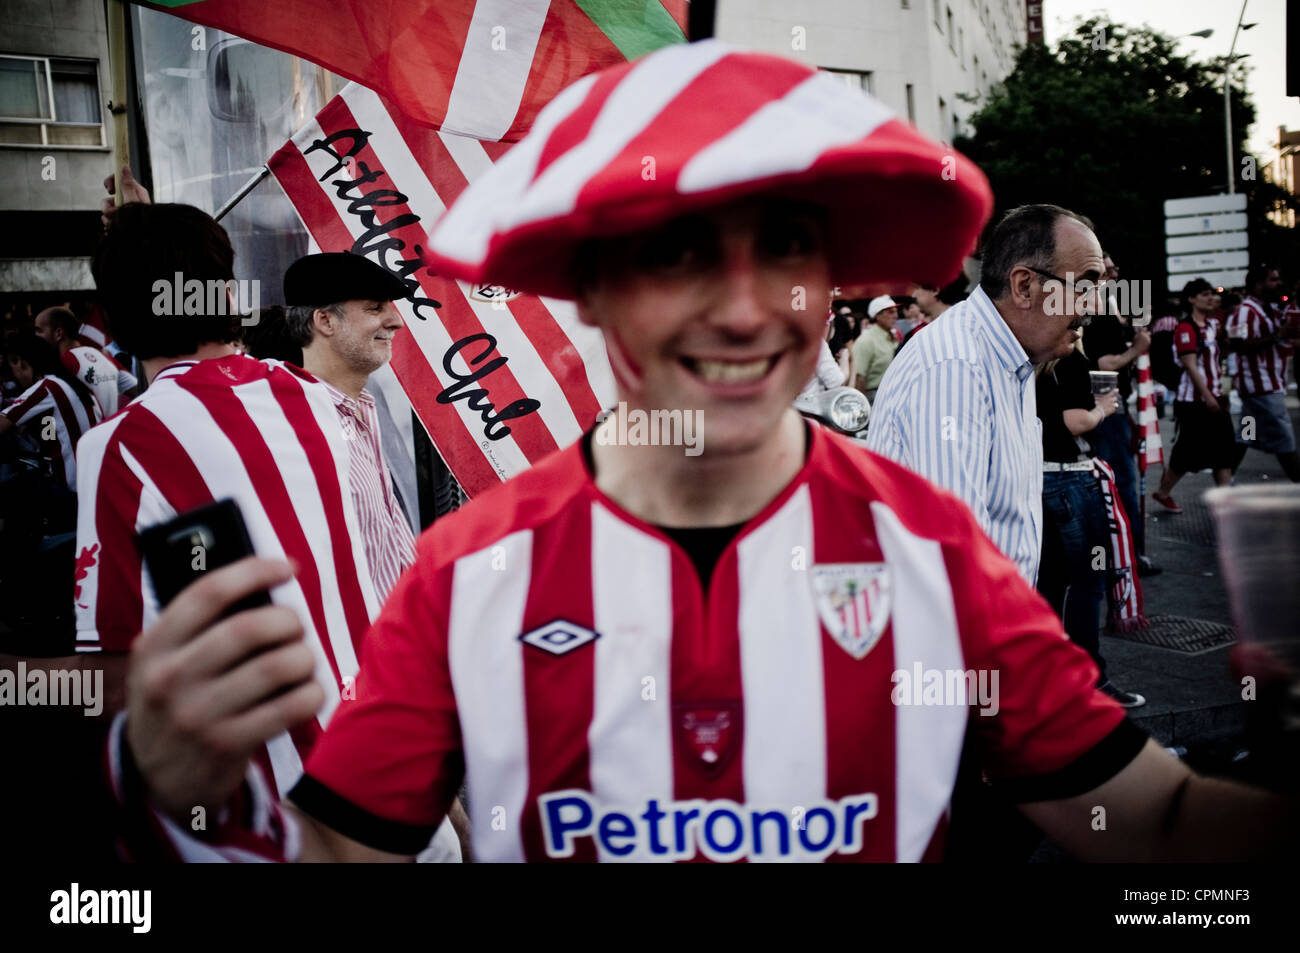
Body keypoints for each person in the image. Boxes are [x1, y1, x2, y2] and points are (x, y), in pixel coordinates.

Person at [114, 41, 1295, 863]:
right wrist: (168, 787)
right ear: (593, 287)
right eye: (678, 250)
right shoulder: (470, 573)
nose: (741, 307)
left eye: (781, 243)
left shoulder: (932, 554)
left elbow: (1151, 821)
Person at [74, 197, 464, 860]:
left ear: (113, 320)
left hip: (286, 828)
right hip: (406, 806)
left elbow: (115, 676)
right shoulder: (330, 406)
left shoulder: (122, 446)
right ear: (227, 294)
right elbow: (399, 591)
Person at [868, 204, 1101, 584]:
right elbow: (954, 563)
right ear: (1024, 285)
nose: (1095, 306)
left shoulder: (1011, 359)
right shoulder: (955, 367)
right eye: (1086, 287)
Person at [281, 252, 418, 599]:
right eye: (375, 308)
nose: (395, 321)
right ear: (325, 321)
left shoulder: (362, 406)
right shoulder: (291, 427)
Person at [1035, 342, 1144, 708]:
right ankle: (1090, 678)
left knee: (1049, 581)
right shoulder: (1070, 359)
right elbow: (1074, 421)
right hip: (1072, 479)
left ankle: (1050, 675)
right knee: (1088, 582)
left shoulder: (1035, 360)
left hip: (1042, 479)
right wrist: (1103, 409)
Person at [1084, 255, 1157, 575]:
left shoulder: (1107, 307)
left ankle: (1121, 551)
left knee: (1116, 479)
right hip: (1106, 406)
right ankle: (1128, 555)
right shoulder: (1096, 312)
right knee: (1121, 481)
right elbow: (1103, 363)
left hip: (1113, 405)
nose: (1115, 273)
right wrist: (1135, 349)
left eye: (1116, 268)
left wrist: (1131, 329)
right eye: (1109, 268)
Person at [1152, 278, 1240, 511]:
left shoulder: (1212, 326)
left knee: (1224, 450)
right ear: (1191, 299)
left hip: (1213, 398)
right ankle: (1163, 491)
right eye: (1204, 294)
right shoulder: (1185, 328)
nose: (1210, 297)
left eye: (1211, 293)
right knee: (1186, 454)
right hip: (1193, 402)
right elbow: (1190, 366)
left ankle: (1225, 500)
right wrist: (1209, 396)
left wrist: (1220, 393)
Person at [1224, 264, 1300, 482]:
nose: (1278, 284)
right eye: (1273, 280)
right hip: (1260, 388)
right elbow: (1240, 345)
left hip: (1265, 386)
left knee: (1246, 435)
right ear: (1258, 285)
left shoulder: (1269, 309)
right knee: (1284, 440)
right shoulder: (1245, 311)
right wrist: (1278, 335)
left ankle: (1225, 478)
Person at [33, 306, 137, 417]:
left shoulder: (63, 363)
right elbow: (141, 390)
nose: (35, 337)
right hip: (112, 431)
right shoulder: (104, 357)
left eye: (39, 331)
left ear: (58, 333)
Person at [852, 295, 898, 403]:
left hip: (890, 394)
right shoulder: (867, 340)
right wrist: (863, 406)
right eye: (890, 312)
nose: (896, 316)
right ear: (877, 315)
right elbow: (859, 377)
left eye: (896, 312)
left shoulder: (891, 337)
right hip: (873, 397)